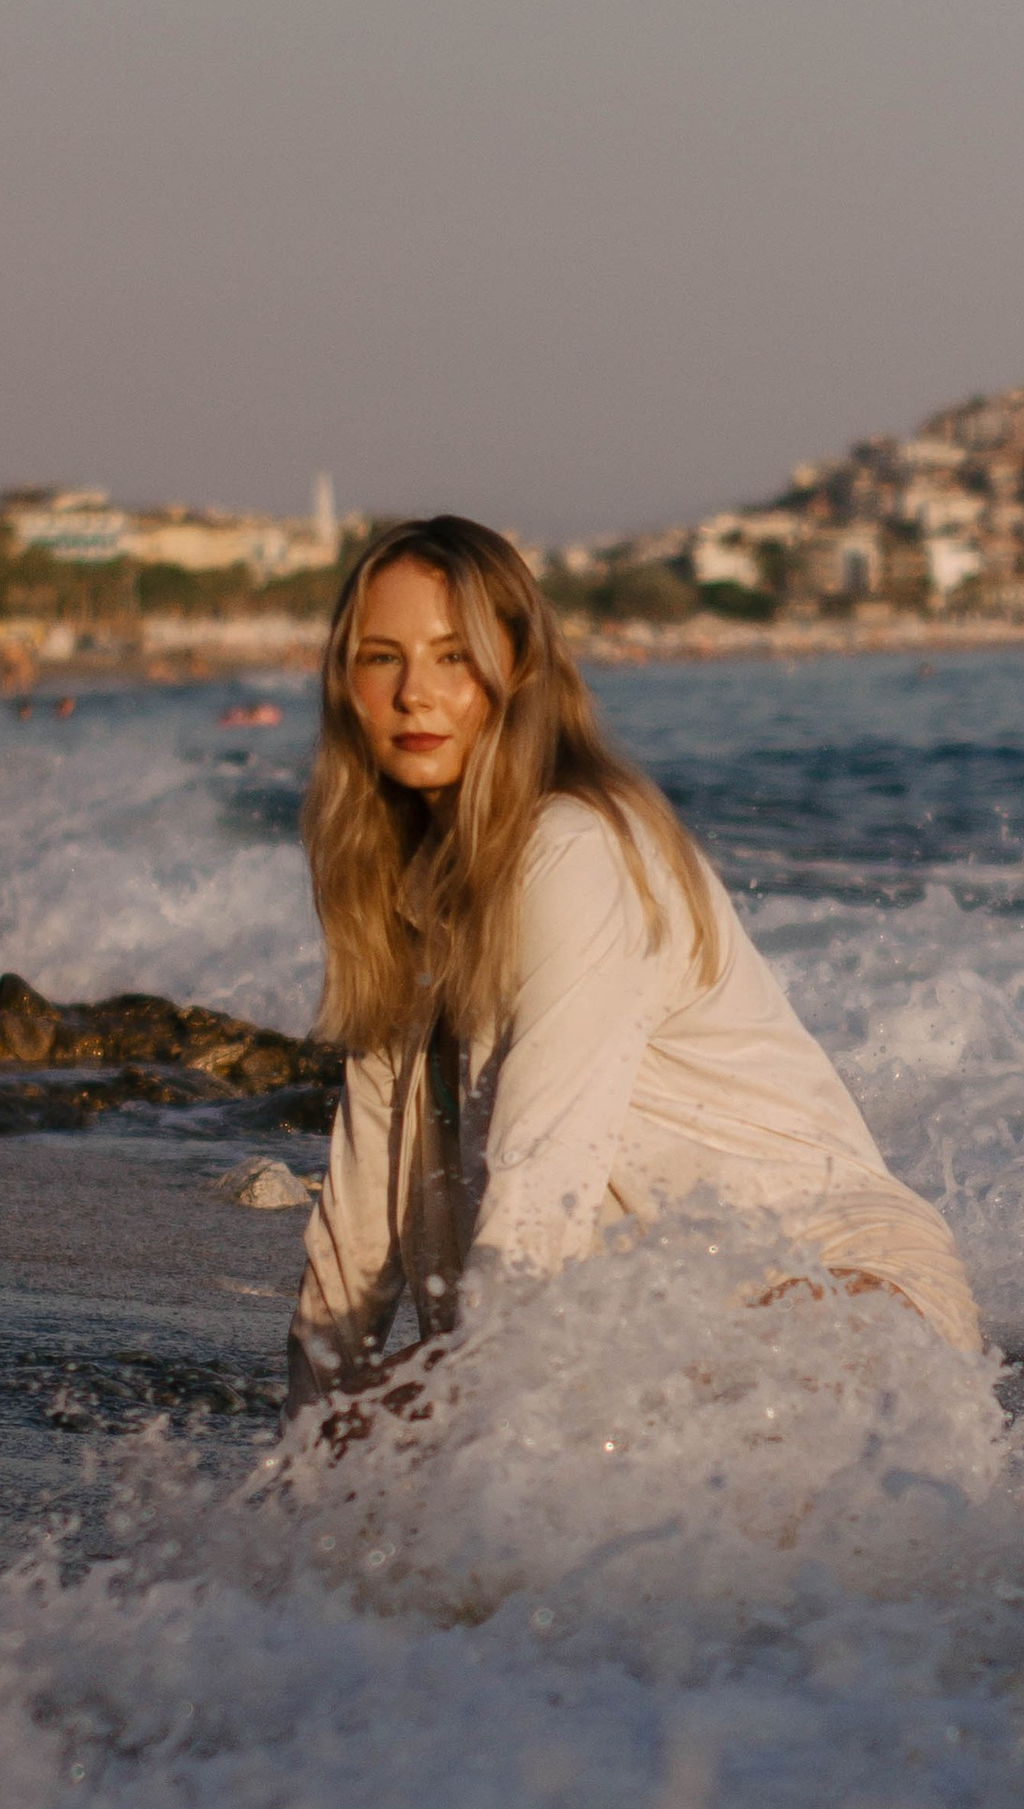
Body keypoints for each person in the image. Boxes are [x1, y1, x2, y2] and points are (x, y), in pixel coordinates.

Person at [286, 516, 979, 1420]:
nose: (415, 693)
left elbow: (545, 1174)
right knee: (356, 1443)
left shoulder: (574, 849)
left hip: (826, 1285)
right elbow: (356, 1235)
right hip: (641, 1322)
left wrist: (489, 1424)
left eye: (454, 657)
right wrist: (296, 1464)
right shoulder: (403, 894)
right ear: (347, 686)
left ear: (519, 672)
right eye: (382, 658)